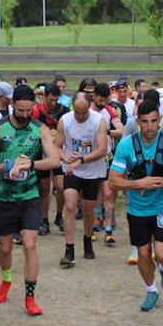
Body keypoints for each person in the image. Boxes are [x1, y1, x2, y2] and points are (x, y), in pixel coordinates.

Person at [0, 84, 60, 316]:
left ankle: (30, 296)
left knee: (30, 244)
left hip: (30, 195)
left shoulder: (40, 129)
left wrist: (31, 164)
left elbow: (55, 160)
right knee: (5, 248)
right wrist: (9, 166)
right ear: (12, 104)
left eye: (29, 110)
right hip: (5, 196)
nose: (25, 115)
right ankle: (6, 281)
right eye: (21, 110)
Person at [109, 100, 163, 312]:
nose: (149, 127)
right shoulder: (127, 145)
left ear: (160, 120)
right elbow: (113, 181)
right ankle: (151, 290)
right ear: (138, 122)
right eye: (144, 122)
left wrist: (158, 182)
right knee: (143, 255)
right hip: (137, 210)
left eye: (154, 121)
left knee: (162, 253)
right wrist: (138, 184)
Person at [56, 93, 108, 267]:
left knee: (88, 209)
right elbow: (57, 146)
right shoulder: (65, 120)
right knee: (70, 205)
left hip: (92, 170)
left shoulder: (98, 121)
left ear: (89, 107)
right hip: (72, 171)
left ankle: (87, 239)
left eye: (83, 113)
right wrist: (66, 157)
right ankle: (69, 249)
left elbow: (102, 149)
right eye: (77, 112)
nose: (80, 116)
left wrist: (81, 160)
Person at [32, 83, 69, 234]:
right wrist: (47, 133)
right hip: (42, 153)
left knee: (61, 187)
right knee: (45, 188)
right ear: (45, 96)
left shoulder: (64, 111)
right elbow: (33, 130)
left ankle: (59, 215)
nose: (53, 103)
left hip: (58, 152)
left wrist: (58, 135)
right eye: (51, 99)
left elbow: (68, 130)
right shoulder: (36, 111)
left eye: (56, 99)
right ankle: (44, 220)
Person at [91, 82, 123, 244]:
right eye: (100, 100)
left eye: (105, 100)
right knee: (94, 193)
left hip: (107, 157)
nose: (102, 103)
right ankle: (97, 219)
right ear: (94, 96)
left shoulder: (110, 110)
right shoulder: (86, 110)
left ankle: (109, 229)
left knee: (108, 193)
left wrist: (108, 132)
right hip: (90, 158)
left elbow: (121, 130)